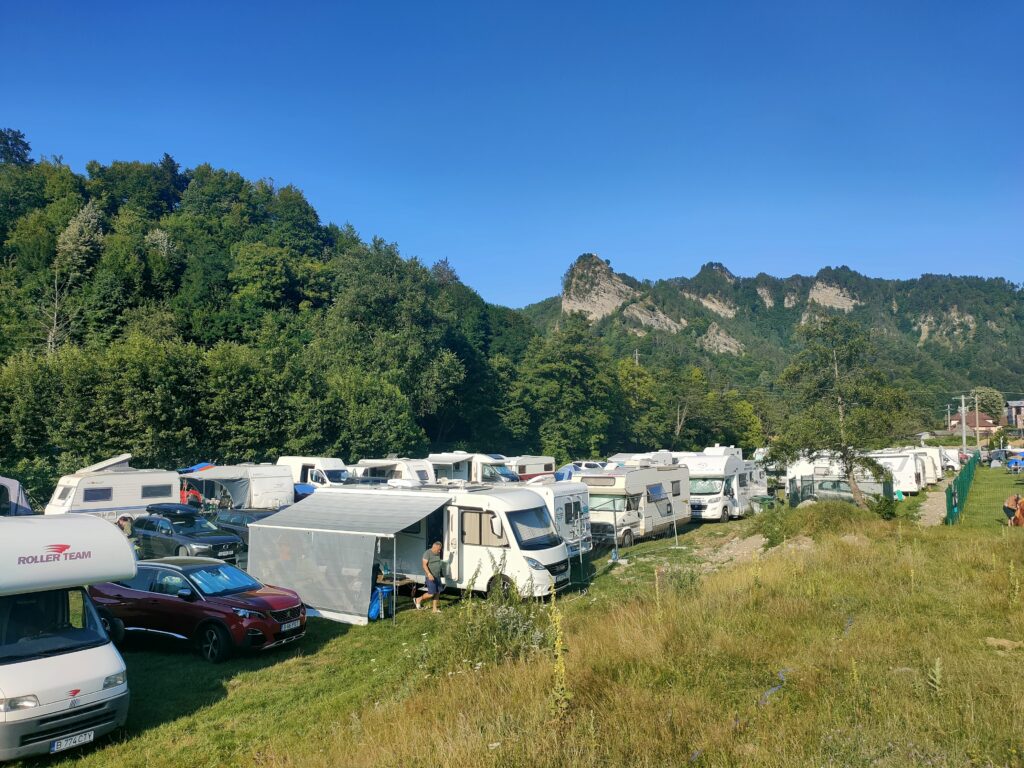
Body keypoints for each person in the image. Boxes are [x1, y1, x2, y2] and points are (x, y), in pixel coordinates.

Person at [414, 541, 445, 613]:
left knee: (438, 592)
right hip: (430, 576)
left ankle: (434, 609)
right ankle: (418, 599)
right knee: (431, 594)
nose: (440, 551)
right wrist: (429, 574)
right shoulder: (427, 553)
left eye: (440, 549)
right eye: (438, 549)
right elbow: (424, 565)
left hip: (437, 576)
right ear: (434, 547)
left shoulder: (437, 553)